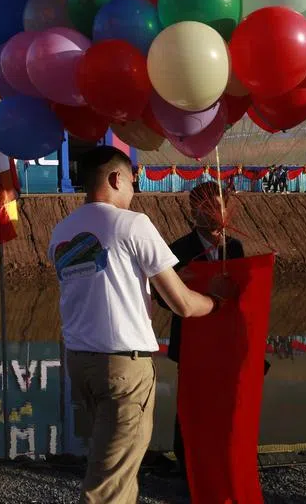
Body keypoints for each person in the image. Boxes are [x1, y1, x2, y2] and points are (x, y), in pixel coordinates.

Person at [49, 146, 224, 504]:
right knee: (107, 487)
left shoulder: (62, 231)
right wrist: (217, 301)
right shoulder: (133, 224)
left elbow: (107, 281)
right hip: (122, 369)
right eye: (133, 181)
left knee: (115, 466)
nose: (135, 190)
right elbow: (183, 304)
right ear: (116, 179)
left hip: (81, 363)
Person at [160, 182, 248, 477]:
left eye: (219, 205)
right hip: (192, 341)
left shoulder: (234, 247)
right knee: (191, 406)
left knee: (226, 402)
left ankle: (223, 459)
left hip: (225, 341)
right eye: (207, 206)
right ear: (193, 211)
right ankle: (187, 466)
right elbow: (161, 296)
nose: (215, 212)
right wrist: (181, 285)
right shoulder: (178, 250)